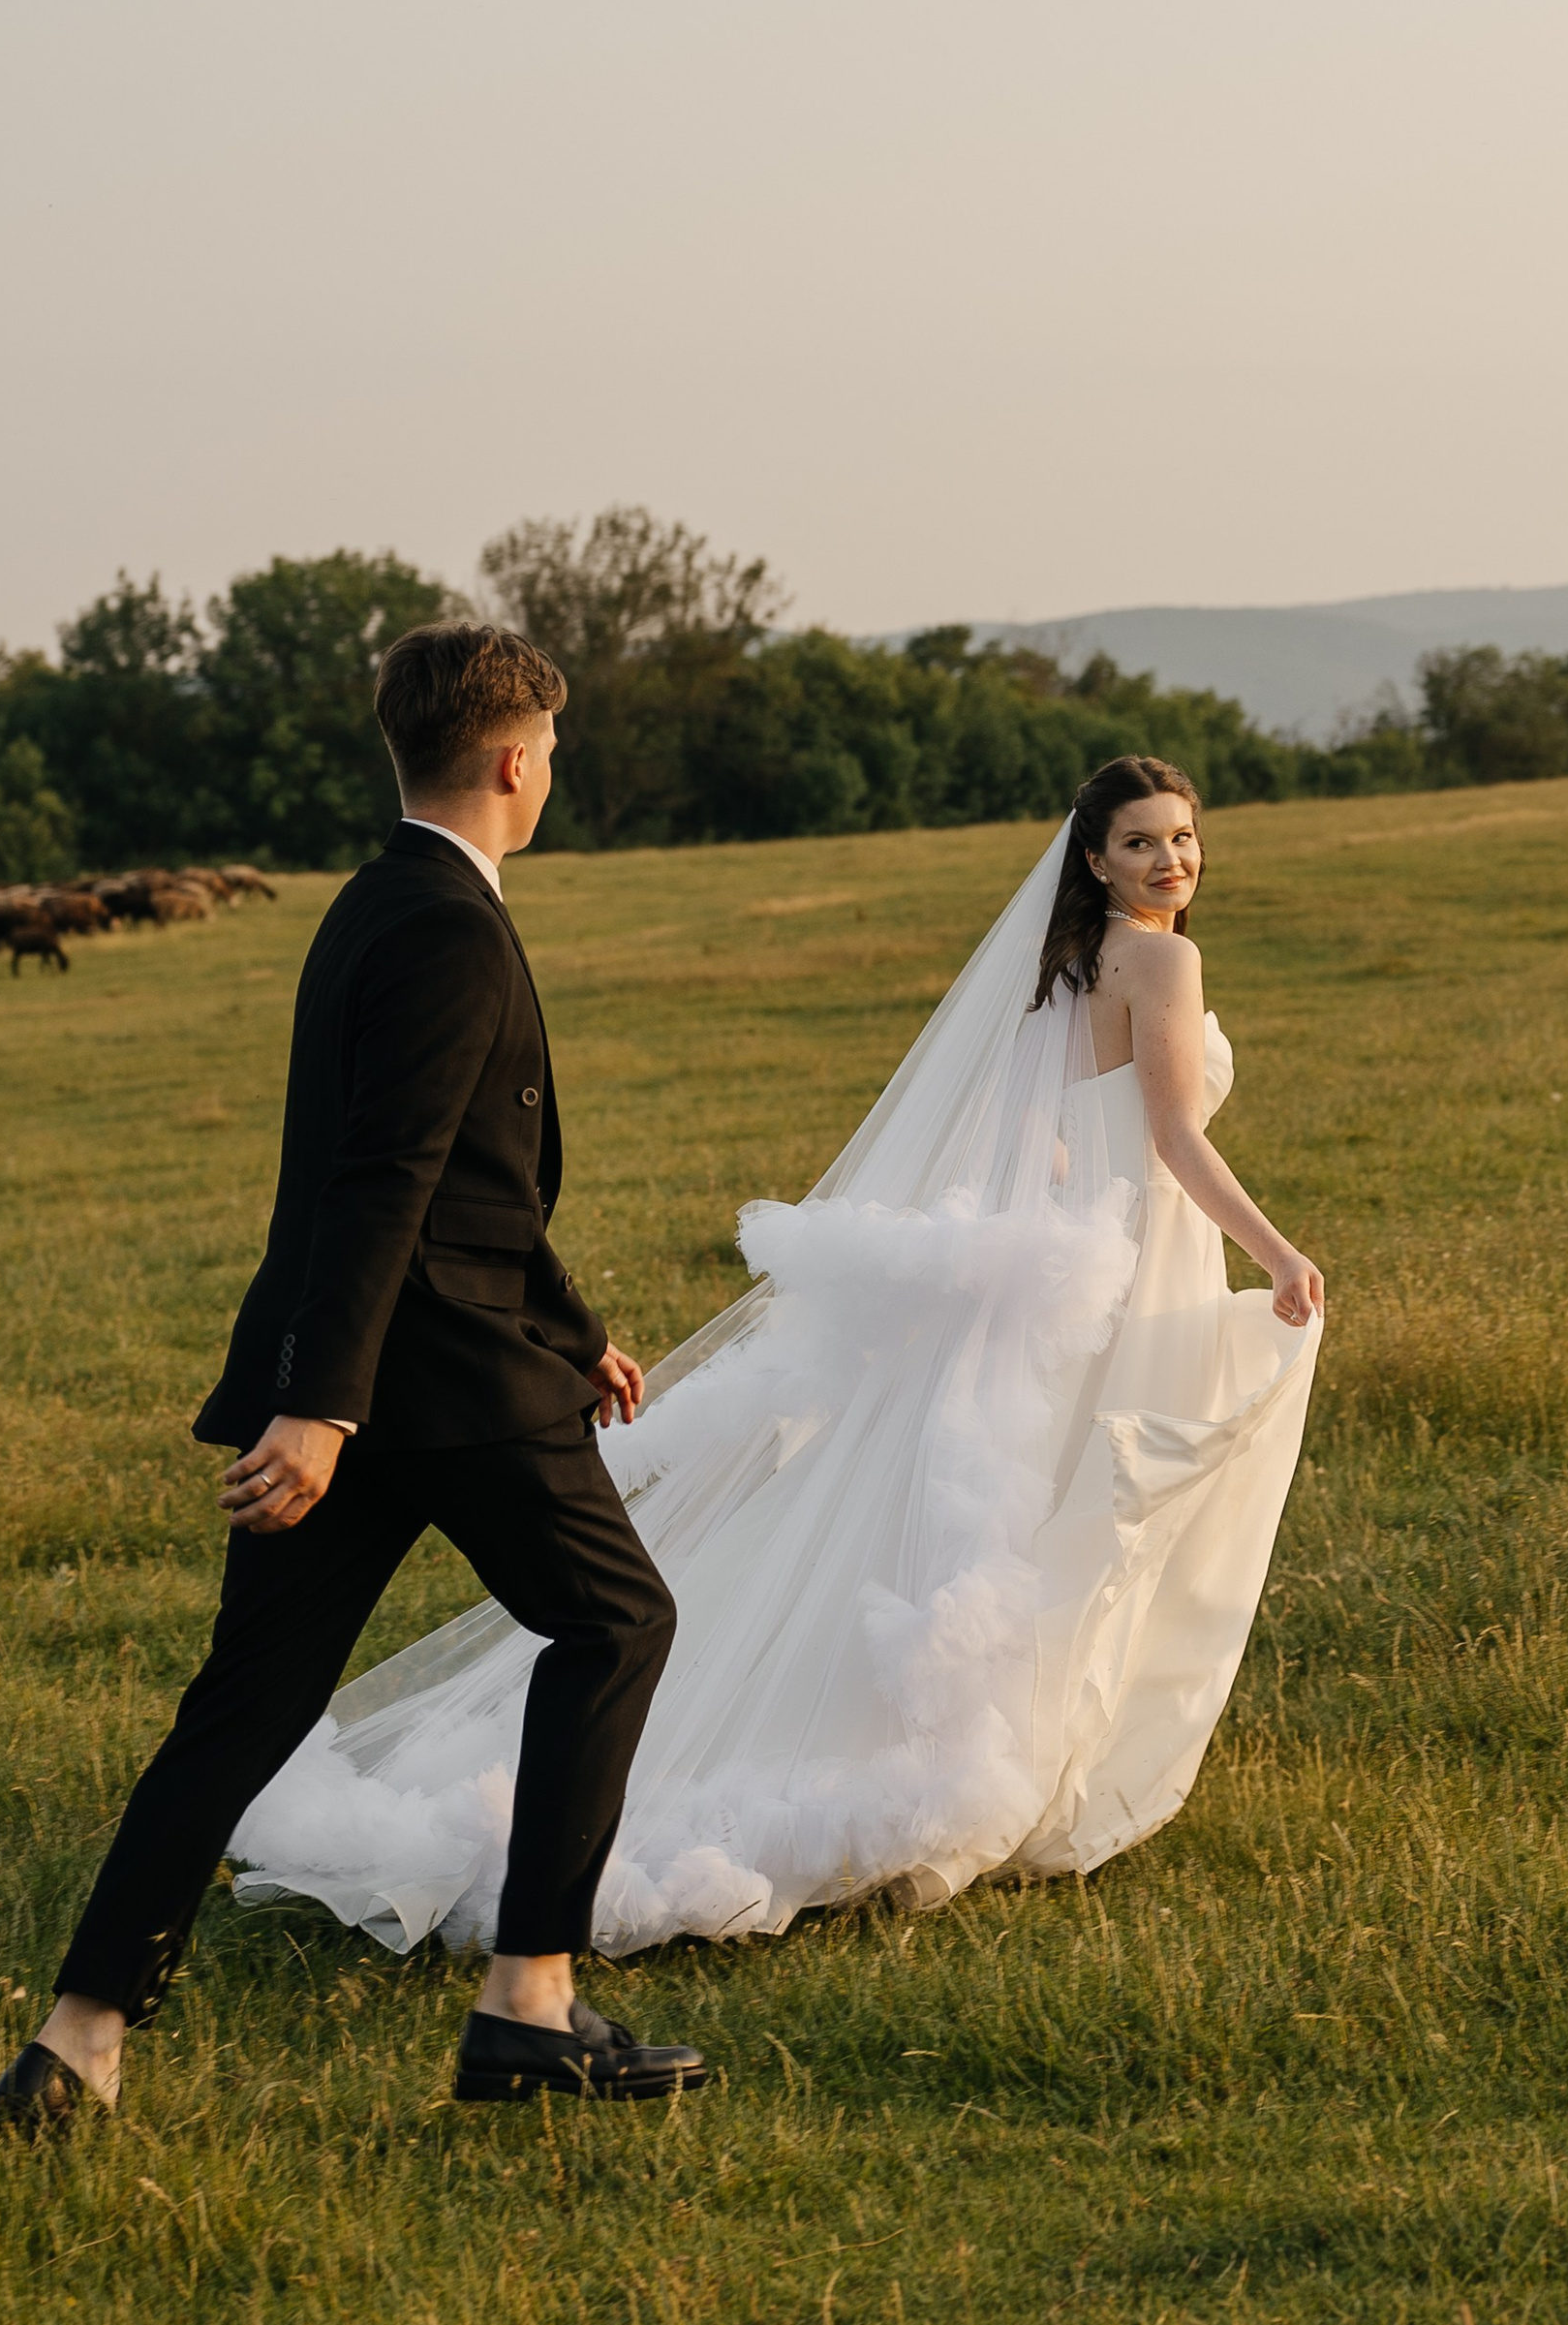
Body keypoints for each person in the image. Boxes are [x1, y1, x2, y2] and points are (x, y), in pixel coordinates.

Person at [226, 755, 1325, 1954]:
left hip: (1087, 1251)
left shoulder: (1073, 958)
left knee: (1066, 1505)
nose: (1170, 860)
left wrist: (1069, 1193)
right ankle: (1037, 1761)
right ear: (1095, 859)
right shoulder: (1162, 960)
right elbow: (1172, 1134)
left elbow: (1039, 1126)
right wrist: (1275, 1252)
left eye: (1182, 837)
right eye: (1141, 843)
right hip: (1139, 1252)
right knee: (1097, 1510)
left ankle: (1010, 1750)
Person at [0, 624, 705, 2131]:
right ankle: (528, 2006)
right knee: (618, 1620)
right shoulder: (451, 925)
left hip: (376, 1367)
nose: (552, 771)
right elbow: (383, 1178)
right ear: (513, 758)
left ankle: (76, 2043)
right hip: (434, 1384)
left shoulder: (380, 897)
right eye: (552, 750)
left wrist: (571, 1326)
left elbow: (472, 1175)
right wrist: (324, 1409)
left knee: (242, 1707)